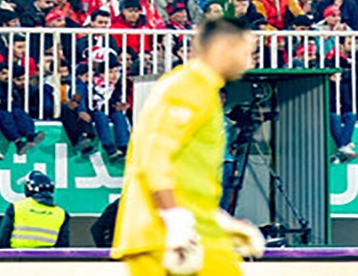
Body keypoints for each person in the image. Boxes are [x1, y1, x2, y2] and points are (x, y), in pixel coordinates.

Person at [111, 17, 266, 275]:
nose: (250, 62)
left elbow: (189, 177)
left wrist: (222, 222)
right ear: (222, 49)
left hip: (193, 232)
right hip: (165, 237)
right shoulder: (189, 87)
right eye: (247, 52)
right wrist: (175, 220)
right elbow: (155, 156)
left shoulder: (200, 89)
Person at [0, 171, 71, 248]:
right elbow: (63, 245)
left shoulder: (17, 207)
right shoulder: (61, 214)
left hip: (17, 253)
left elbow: (3, 237)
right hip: (47, 255)